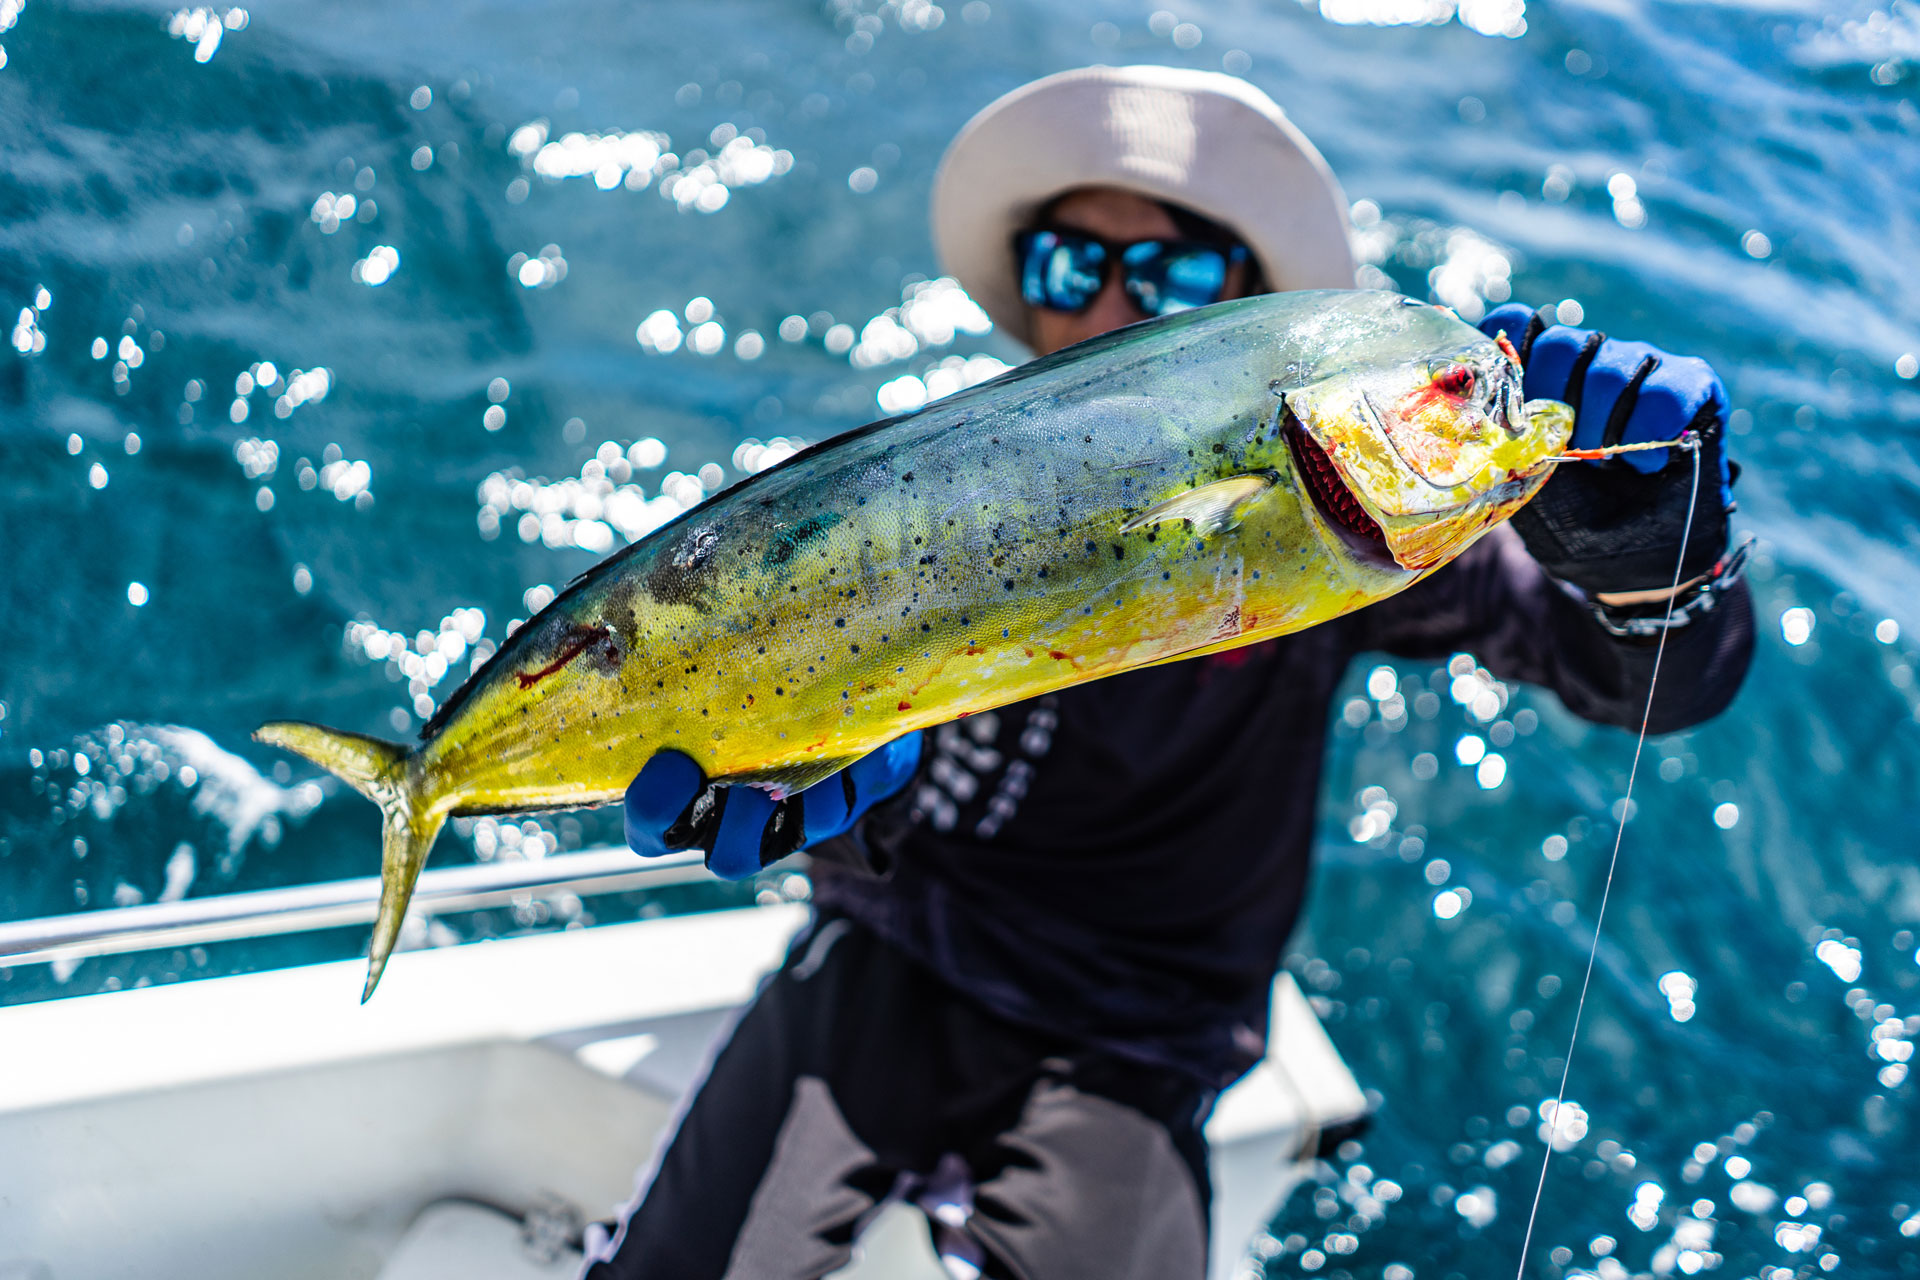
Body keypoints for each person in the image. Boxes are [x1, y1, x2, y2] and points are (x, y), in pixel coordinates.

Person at [582, 65, 1754, 1280]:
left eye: (1175, 272)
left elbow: (1651, 687)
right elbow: (849, 783)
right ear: (1028, 299)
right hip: (890, 957)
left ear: (1244, 301)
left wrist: (1655, 566)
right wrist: (808, 806)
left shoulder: (1336, 509)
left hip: (1133, 1035)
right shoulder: (919, 509)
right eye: (1068, 267)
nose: (1112, 308)